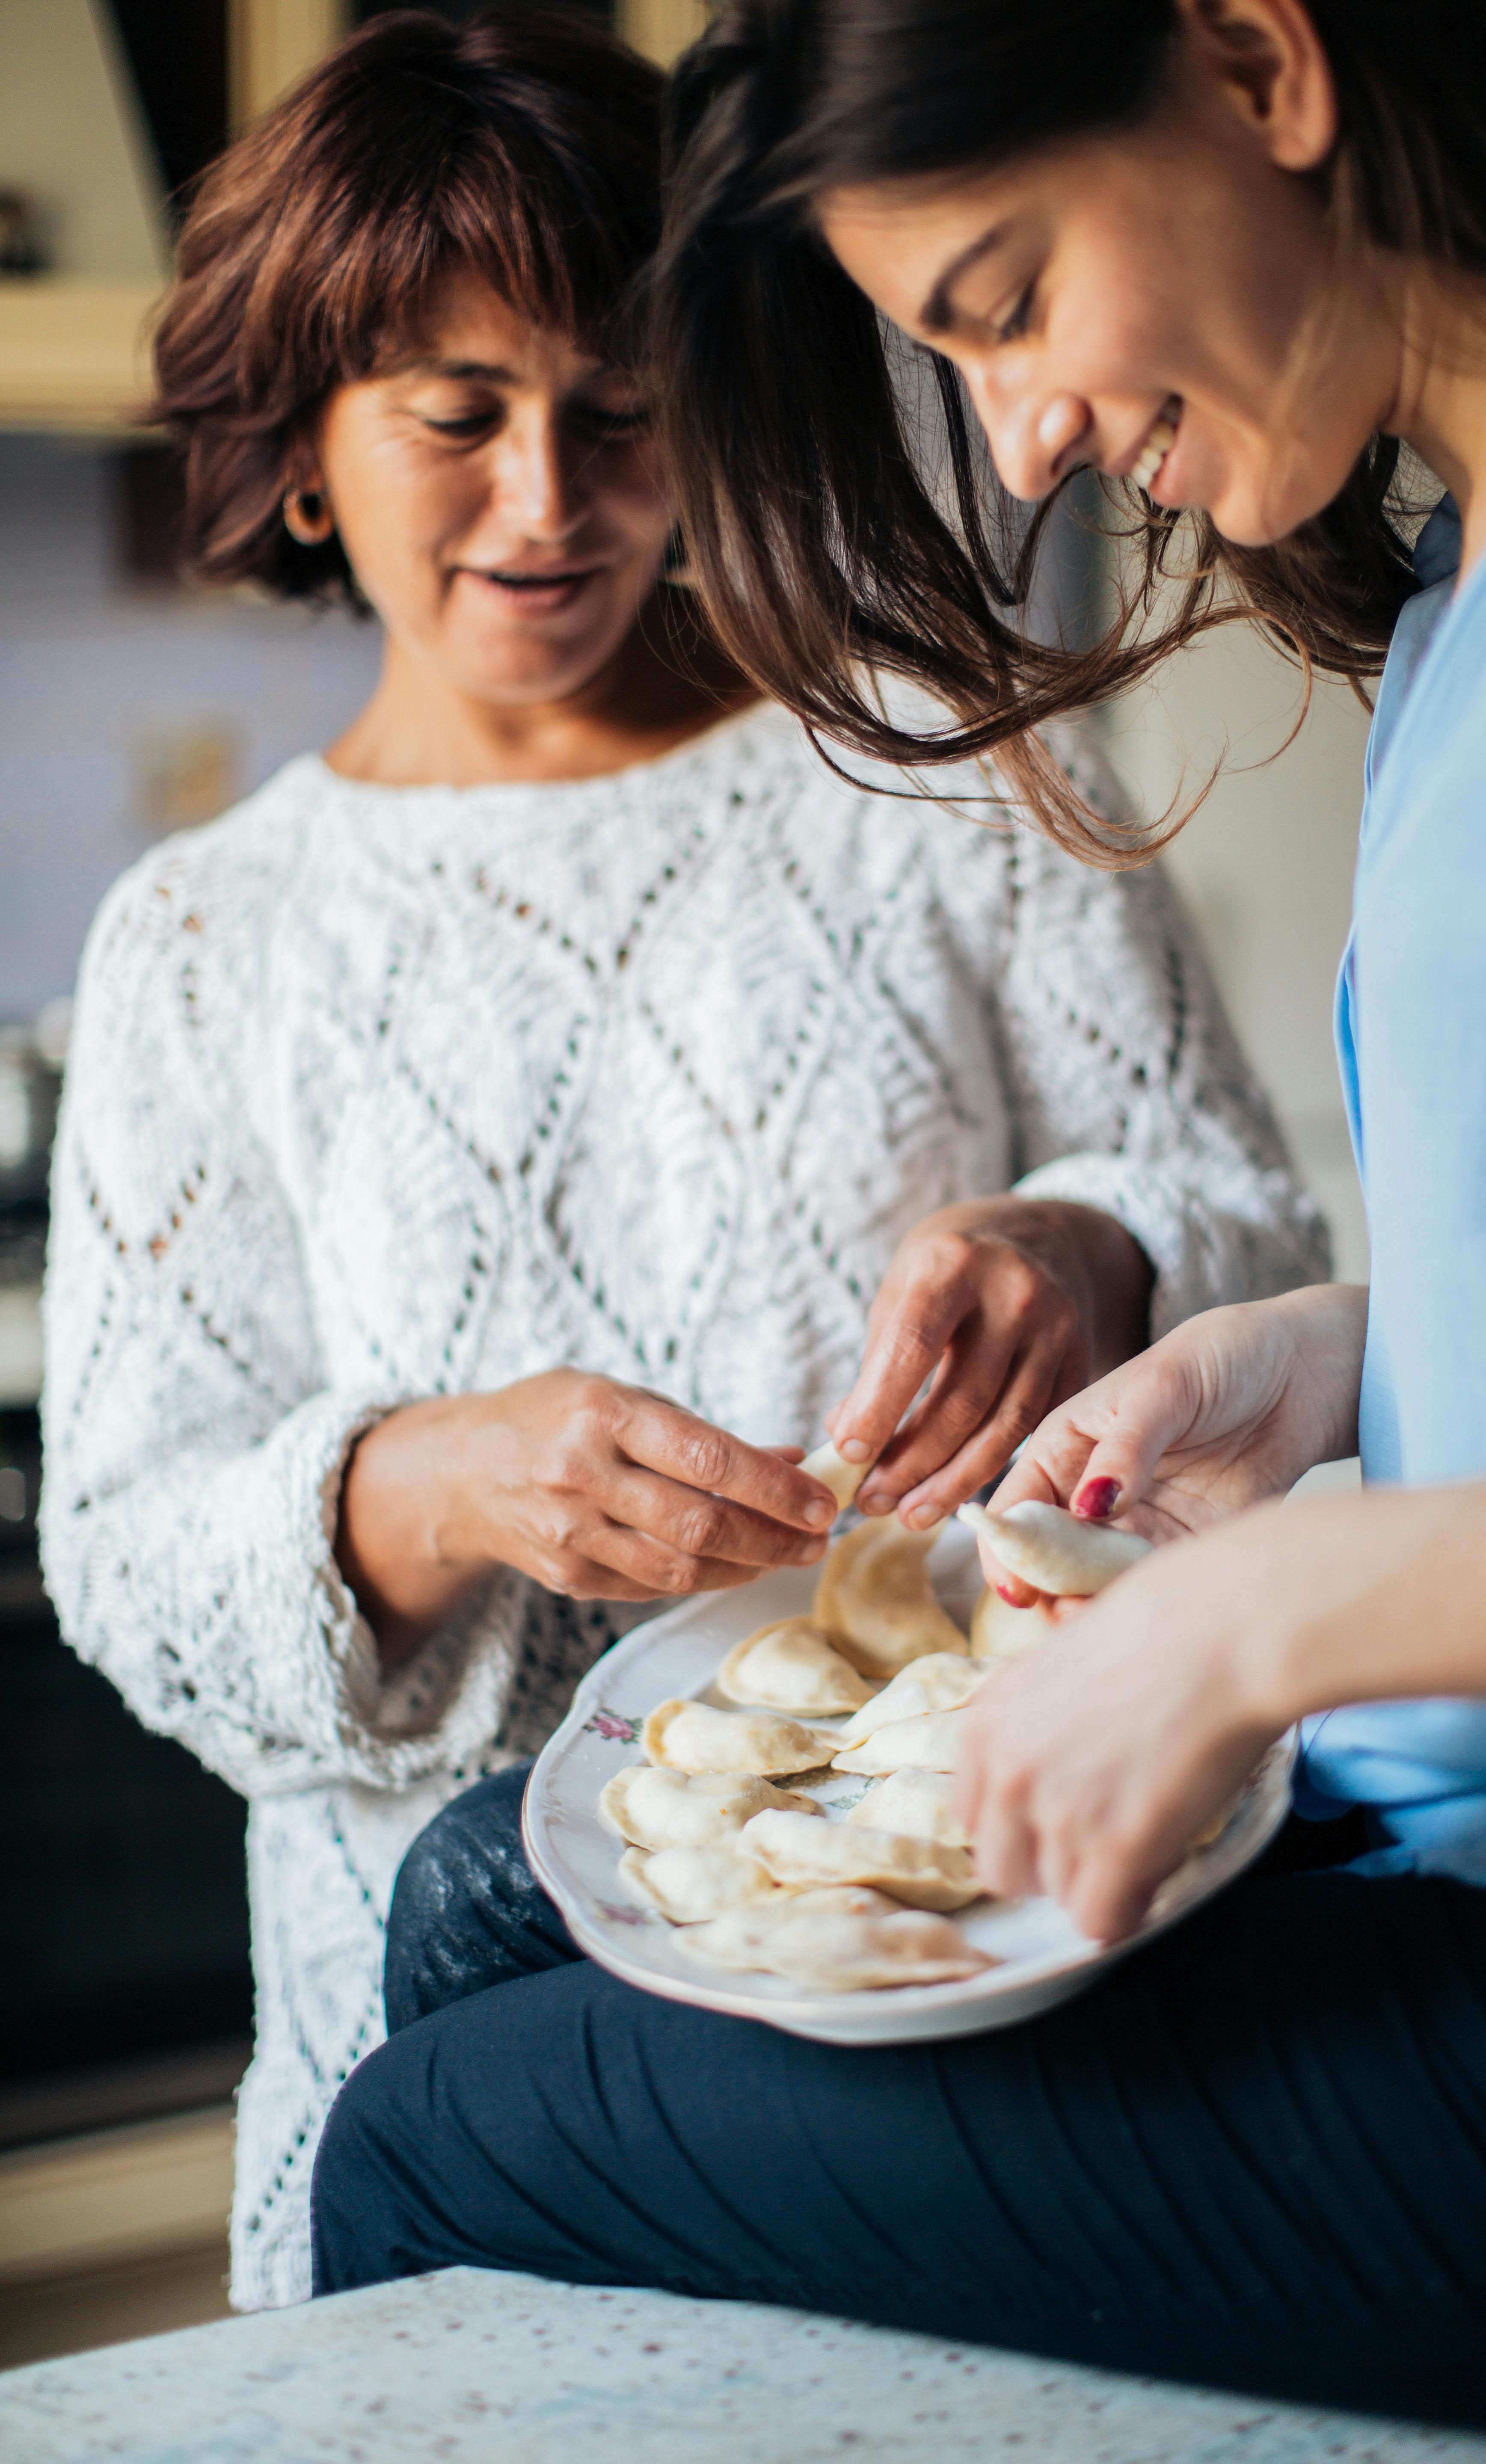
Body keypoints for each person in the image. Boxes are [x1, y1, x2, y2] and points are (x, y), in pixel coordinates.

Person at [308, 0, 1486, 2440]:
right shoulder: (1479, 581)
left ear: (1260, 64)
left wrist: (1276, 1610)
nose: (1026, 437)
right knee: (486, 1891)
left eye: (1008, 300)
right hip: (1458, 1829)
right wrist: (1355, 1356)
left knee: (422, 2137)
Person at [36, 7, 1320, 2315]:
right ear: (310, 451)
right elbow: (127, 1557)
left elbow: (1248, 1218)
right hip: (427, 2053)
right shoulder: (208, 938)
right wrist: (421, 1493)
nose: (553, 500)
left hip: (974, 1975)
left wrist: (1092, 1249)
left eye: (621, 412)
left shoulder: (946, 764)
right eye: (460, 416)